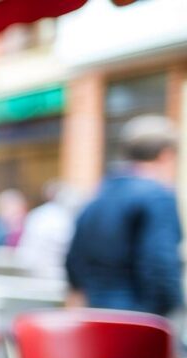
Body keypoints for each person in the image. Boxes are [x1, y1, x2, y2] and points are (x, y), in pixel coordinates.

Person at [65, 114, 183, 317]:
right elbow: (160, 264)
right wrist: (174, 309)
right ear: (166, 155)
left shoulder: (99, 193)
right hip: (140, 320)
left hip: (97, 313)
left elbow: (74, 261)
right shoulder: (158, 196)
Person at [16, 180, 81, 279]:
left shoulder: (37, 214)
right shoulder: (65, 217)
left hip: (35, 271)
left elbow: (25, 249)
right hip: (55, 273)